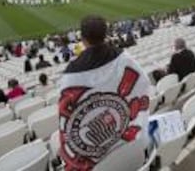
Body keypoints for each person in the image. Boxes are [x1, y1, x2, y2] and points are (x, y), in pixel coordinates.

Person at [58, 15, 151, 171]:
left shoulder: (71, 74)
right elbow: (143, 83)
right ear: (105, 34)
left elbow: (66, 121)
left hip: (98, 147)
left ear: (83, 38)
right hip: (121, 139)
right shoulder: (124, 58)